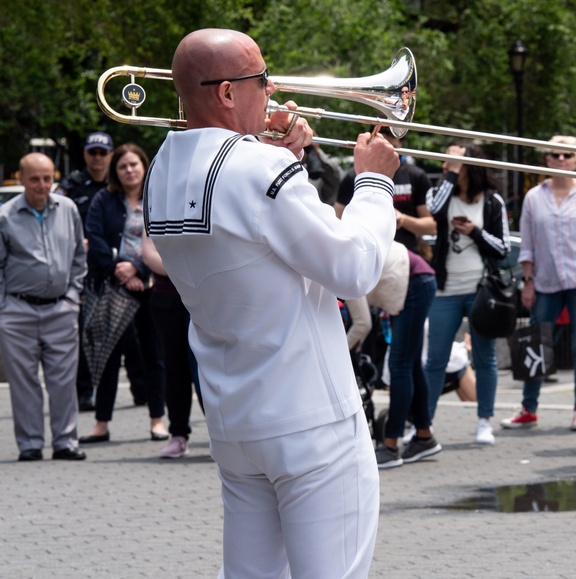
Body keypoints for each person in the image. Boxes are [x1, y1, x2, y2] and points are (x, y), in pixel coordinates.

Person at [144, 28, 398, 577]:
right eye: (261, 79)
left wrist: (279, 160)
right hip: (311, 419)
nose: (274, 88)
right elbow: (353, 268)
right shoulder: (260, 171)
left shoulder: (160, 167)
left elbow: (244, 235)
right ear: (229, 93)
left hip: (237, 421)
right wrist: (374, 183)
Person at [502, 135, 576, 432]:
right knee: (536, 344)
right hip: (545, 280)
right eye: (555, 155)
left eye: (567, 155)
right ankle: (529, 408)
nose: (561, 160)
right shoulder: (534, 196)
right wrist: (528, 282)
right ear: (547, 159)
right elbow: (528, 244)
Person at [0, 153, 88, 462]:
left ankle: (65, 441)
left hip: (60, 309)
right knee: (23, 382)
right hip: (17, 310)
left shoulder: (68, 209)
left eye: (47, 178)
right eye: (34, 179)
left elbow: (79, 255)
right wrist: (4, 308)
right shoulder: (6, 215)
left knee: (63, 380)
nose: (42, 185)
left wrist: (72, 296)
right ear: (21, 178)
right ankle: (30, 445)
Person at [79, 143, 167, 444]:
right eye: (123, 166)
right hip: (114, 288)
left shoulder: (158, 198)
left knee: (154, 356)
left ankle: (158, 420)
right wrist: (121, 268)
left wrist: (139, 269)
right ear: (115, 171)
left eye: (134, 165)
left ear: (144, 166)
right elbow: (95, 238)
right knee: (108, 354)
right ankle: (101, 424)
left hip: (149, 286)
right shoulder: (105, 199)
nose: (129, 170)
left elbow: (167, 238)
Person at [424, 141, 511, 445]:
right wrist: (450, 175)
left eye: (454, 160)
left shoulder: (491, 201)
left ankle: (484, 420)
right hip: (445, 289)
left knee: (485, 358)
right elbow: (433, 210)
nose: (447, 164)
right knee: (435, 359)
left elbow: (503, 248)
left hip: (479, 289)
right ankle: (425, 424)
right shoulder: (441, 194)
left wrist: (474, 231)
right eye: (445, 159)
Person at [366, 242, 439, 469]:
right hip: (416, 281)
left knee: (399, 366)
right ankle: (424, 436)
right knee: (411, 364)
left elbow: (361, 323)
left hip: (415, 283)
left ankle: (390, 446)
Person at [58, 131, 112, 411]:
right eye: (94, 152)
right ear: (86, 155)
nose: (98, 158)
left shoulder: (117, 185)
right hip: (81, 269)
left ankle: (140, 390)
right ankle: (85, 391)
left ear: (111, 155)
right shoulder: (72, 185)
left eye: (103, 153)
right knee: (84, 333)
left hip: (113, 266)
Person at [141, 235, 204, 459]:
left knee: (209, 370)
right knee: (174, 368)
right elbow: (149, 255)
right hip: (168, 298)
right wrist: (186, 269)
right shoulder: (157, 203)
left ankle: (222, 435)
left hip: (205, 296)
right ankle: (178, 435)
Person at [335, 132, 435, 253]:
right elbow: (336, 220)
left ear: (401, 143)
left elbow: (432, 227)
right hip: (364, 253)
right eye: (381, 144)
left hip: (405, 255)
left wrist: (402, 219)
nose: (385, 151)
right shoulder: (352, 177)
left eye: (391, 146)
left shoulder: (416, 175)